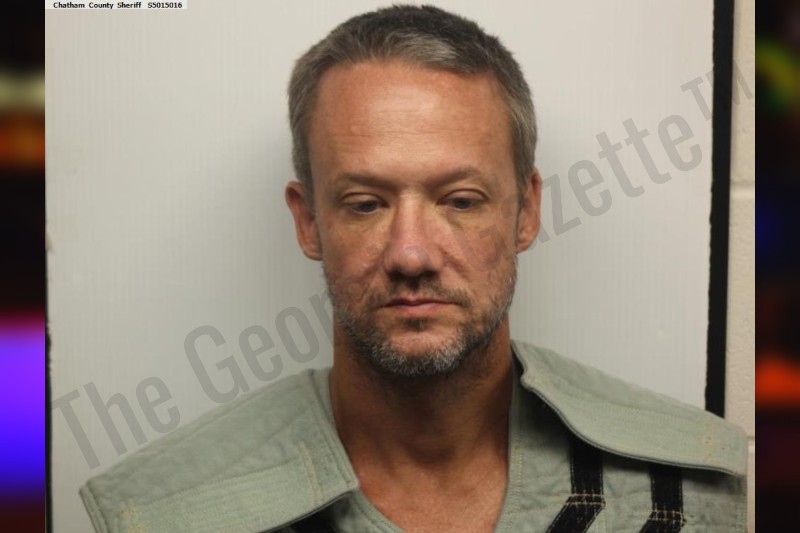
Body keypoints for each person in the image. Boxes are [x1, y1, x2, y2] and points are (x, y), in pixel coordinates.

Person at [80, 5, 748, 532]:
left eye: (460, 200)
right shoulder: (162, 513)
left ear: (525, 212)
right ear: (308, 222)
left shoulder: (695, 492)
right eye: (365, 204)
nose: (411, 255)